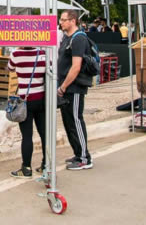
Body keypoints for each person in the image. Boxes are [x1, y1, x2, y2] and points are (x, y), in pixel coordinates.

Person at [57, 9, 92, 170]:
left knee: (76, 120)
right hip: (66, 87)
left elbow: (76, 66)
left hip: (74, 86)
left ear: (73, 21)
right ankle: (78, 153)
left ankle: (85, 157)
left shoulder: (78, 39)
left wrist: (64, 86)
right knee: (68, 121)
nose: (61, 22)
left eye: (64, 19)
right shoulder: (66, 38)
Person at [8, 46, 47, 178]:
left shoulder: (16, 53)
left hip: (25, 100)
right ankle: (46, 165)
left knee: (27, 136)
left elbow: (10, 68)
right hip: (41, 99)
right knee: (44, 134)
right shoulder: (42, 54)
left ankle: (26, 167)